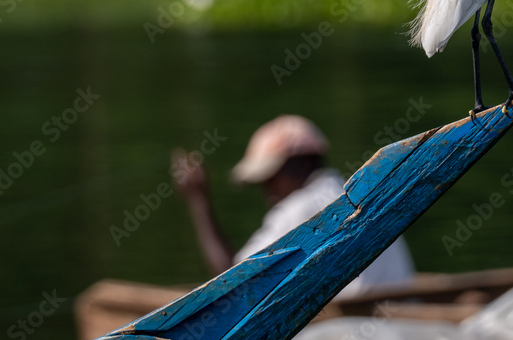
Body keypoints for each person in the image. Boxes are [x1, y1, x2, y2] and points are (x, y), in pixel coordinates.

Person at [172, 114, 414, 299]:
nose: (268, 193)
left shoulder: (299, 209)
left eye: (271, 179)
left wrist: (198, 200)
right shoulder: (359, 194)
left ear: (303, 164)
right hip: (397, 319)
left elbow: (231, 282)